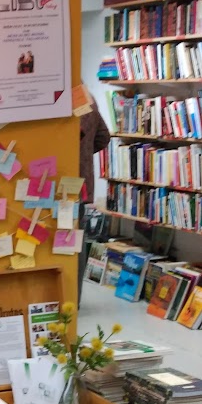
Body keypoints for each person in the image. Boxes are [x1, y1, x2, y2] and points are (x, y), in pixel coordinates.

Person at [78, 90, 111, 304]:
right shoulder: (88, 97)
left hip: (52, 180)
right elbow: (103, 137)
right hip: (80, 182)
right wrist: (84, 152)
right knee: (76, 241)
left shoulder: (53, 97)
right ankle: (73, 299)